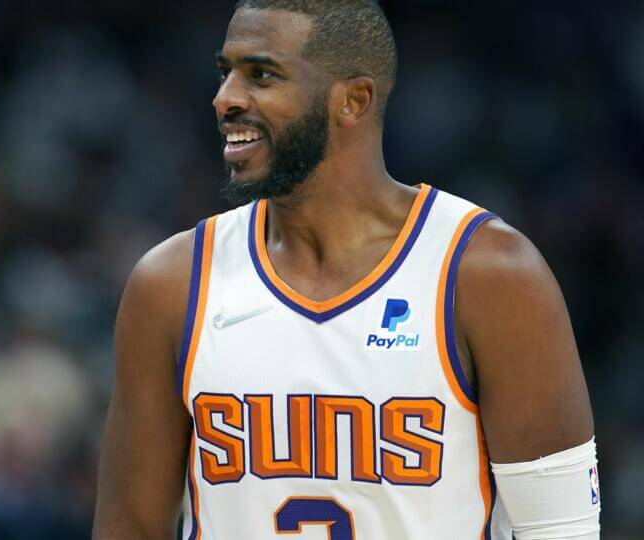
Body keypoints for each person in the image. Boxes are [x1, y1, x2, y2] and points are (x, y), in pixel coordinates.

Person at [93, 1, 599, 538]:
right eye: (225, 72)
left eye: (261, 75)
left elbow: (562, 531)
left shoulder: (489, 276)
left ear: (353, 101)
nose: (225, 98)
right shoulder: (171, 284)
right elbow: (130, 529)